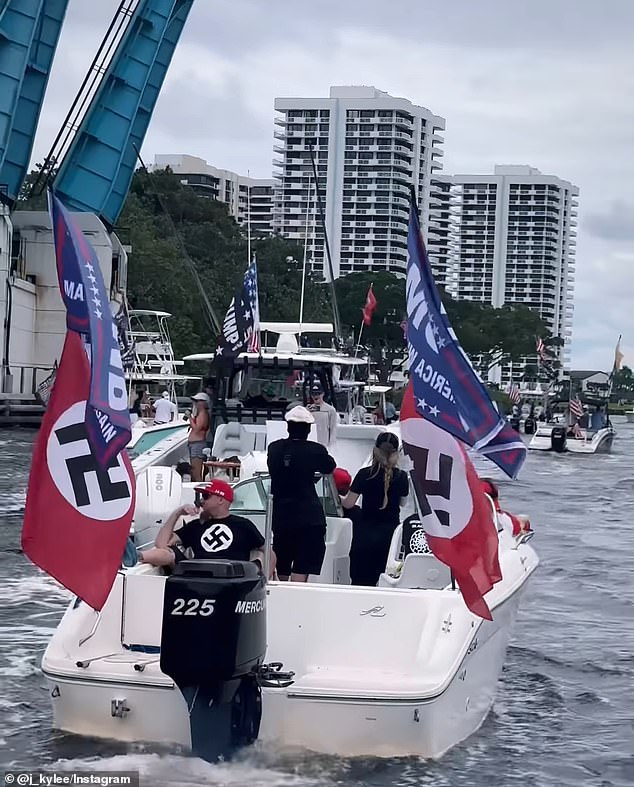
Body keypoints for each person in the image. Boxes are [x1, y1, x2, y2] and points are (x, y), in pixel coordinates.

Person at [139, 478, 274, 575]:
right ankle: (134, 556)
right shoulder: (195, 526)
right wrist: (177, 513)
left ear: (221, 500)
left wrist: (264, 582)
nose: (201, 501)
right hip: (197, 574)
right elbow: (161, 544)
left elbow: (269, 553)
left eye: (206, 496)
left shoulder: (244, 525)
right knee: (167, 553)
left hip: (231, 576)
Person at [267, 405, 336, 582]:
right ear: (308, 429)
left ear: (288, 427)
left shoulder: (274, 448)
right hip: (308, 517)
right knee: (302, 565)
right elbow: (329, 466)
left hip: (281, 516)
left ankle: (281, 596)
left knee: (282, 562)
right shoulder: (316, 450)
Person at [341, 432, 409, 586]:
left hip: (364, 535)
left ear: (375, 450)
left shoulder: (364, 474)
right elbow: (403, 503)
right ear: (395, 453)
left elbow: (349, 504)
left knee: (361, 582)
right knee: (384, 583)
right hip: (389, 538)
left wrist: (336, 496)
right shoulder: (402, 477)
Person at [307, 381, 338, 449]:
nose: (316, 396)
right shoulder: (308, 409)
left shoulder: (330, 410)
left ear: (323, 394)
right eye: (313, 394)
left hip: (324, 445)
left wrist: (331, 446)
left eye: (318, 393)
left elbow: (333, 429)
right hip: (310, 444)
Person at [188, 392, 210, 482]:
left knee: (196, 473)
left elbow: (197, 428)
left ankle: (199, 494)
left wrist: (189, 417)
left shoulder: (203, 414)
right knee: (193, 471)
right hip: (194, 444)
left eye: (198, 401)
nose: (196, 403)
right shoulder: (200, 414)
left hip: (197, 444)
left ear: (204, 403)